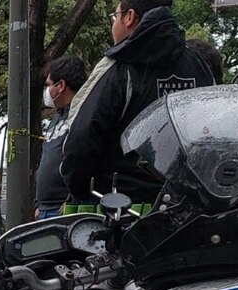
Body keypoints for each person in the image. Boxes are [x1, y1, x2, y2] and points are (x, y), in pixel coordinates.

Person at [60, 0, 214, 204]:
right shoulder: (200, 66)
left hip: (122, 208)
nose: (113, 25)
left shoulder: (118, 67)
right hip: (187, 209)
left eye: (115, 17)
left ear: (129, 17)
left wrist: (80, 191)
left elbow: (81, 139)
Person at [36, 55, 87, 220]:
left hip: (64, 209)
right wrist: (38, 204)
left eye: (49, 85)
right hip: (45, 209)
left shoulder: (82, 115)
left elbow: (85, 157)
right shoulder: (57, 116)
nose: (47, 90)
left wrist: (73, 198)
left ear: (61, 86)